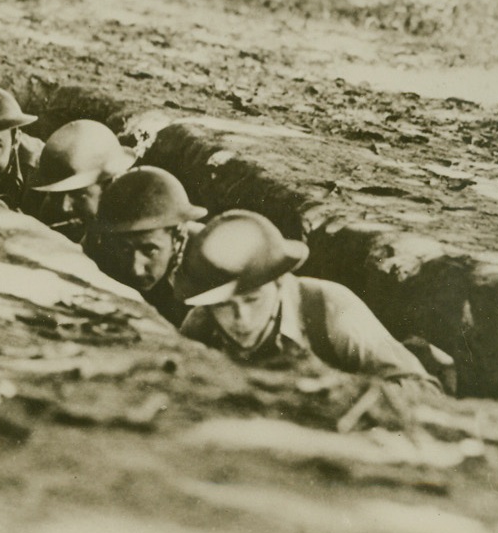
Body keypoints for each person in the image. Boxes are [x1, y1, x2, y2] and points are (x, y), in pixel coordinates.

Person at [174, 210, 438, 385]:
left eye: (253, 300)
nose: (240, 318)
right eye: (223, 305)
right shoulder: (200, 325)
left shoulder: (330, 309)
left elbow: (420, 388)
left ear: (278, 283)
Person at [86, 167, 206, 326]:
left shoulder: (208, 261)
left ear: (177, 241)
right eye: (124, 249)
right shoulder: (96, 251)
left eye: (150, 250)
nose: (136, 269)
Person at [28, 119, 134, 243]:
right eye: (55, 195)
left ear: (109, 185)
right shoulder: (50, 211)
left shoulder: (131, 226)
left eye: (77, 195)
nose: (64, 207)